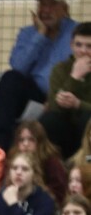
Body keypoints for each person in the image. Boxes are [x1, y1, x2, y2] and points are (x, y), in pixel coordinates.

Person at [0, 0, 77, 152]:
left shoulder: (76, 33)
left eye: (51, 5)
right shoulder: (28, 33)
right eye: (42, 5)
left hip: (63, 95)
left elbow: (78, 71)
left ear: (64, 8)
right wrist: (40, 35)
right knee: (10, 78)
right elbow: (18, 66)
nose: (45, 10)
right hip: (34, 96)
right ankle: (0, 145)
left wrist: (53, 99)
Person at [40, 22, 91, 159]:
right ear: (71, 45)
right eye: (78, 45)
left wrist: (78, 104)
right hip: (66, 127)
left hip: (87, 128)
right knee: (50, 119)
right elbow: (54, 105)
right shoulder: (60, 69)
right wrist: (74, 76)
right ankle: (55, 168)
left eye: (89, 46)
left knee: (87, 118)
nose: (83, 51)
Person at [11, 120, 68, 206]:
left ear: (40, 141)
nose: (25, 144)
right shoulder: (13, 161)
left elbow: (59, 195)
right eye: (21, 140)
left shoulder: (52, 163)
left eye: (31, 139)